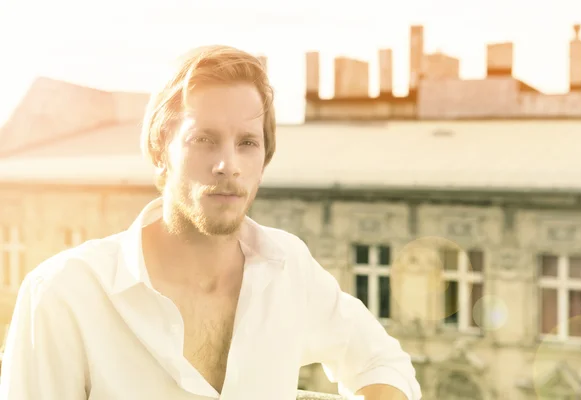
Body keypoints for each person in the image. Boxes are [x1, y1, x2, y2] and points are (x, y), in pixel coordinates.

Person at [0, 45, 422, 400]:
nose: (228, 165)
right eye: (203, 139)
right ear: (158, 153)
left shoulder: (288, 267)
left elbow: (382, 362)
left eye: (247, 143)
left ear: (264, 160)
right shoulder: (61, 294)